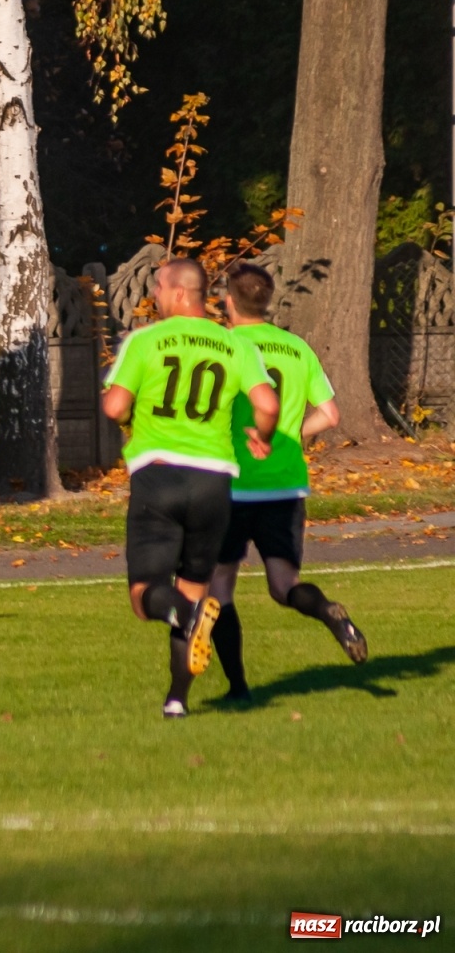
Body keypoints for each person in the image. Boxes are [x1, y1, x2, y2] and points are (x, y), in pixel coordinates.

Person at [101, 258, 279, 717]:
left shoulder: (145, 340)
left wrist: (127, 413)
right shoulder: (235, 343)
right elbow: (267, 403)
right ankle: (177, 699)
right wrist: (262, 436)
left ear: (179, 292)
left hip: (160, 478)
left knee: (145, 596)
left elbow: (115, 407)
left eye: (158, 286)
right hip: (214, 483)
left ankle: (187, 617)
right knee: (193, 588)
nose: (154, 295)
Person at [207, 262, 366, 701]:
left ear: (228, 301)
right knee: (284, 586)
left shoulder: (224, 345)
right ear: (267, 301)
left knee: (219, 586)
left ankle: (238, 689)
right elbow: (330, 414)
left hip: (232, 483)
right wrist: (292, 433)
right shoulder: (297, 348)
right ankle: (328, 611)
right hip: (286, 483)